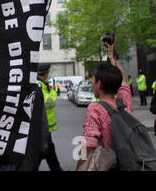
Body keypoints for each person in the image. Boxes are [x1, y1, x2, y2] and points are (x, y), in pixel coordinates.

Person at [76, 42, 132, 170]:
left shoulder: (95, 108)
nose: (92, 84)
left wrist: (79, 167)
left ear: (99, 84)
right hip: (127, 163)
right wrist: (111, 55)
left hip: (108, 164)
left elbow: (88, 145)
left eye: (93, 81)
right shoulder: (125, 101)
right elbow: (122, 80)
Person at [36, 63, 63, 171]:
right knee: (47, 150)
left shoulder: (42, 84)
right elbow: (48, 101)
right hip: (43, 127)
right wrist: (52, 91)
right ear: (45, 74)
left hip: (44, 127)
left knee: (46, 150)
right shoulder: (39, 85)